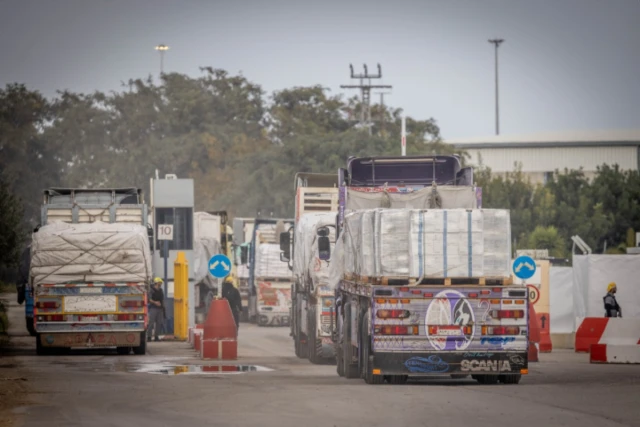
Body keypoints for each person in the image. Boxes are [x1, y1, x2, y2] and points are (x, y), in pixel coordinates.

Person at [147, 277, 165, 341]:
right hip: (153, 308)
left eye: (161, 283)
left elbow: (162, 299)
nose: (160, 284)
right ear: (156, 283)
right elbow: (149, 299)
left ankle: (156, 337)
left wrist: (163, 307)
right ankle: (149, 337)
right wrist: (155, 302)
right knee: (151, 323)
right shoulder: (151, 290)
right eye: (160, 282)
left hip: (160, 309)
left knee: (158, 323)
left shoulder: (161, 290)